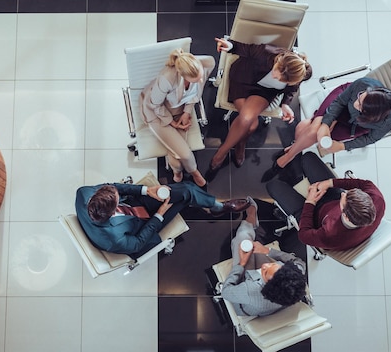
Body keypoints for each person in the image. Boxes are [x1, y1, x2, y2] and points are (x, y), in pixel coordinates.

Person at [206, 37, 312, 181]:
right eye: (276, 70)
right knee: (252, 124)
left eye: (282, 79)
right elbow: (242, 48)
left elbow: (291, 90)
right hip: (244, 81)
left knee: (249, 121)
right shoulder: (267, 52)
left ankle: (227, 150)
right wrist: (229, 45)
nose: (275, 76)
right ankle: (231, 147)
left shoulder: (296, 75)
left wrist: (285, 104)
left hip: (264, 92)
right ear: (279, 61)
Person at [260, 77, 391, 183]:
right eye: (360, 97)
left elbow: (369, 139)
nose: (355, 103)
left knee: (303, 128)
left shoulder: (386, 123)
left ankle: (293, 149)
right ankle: (289, 156)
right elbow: (340, 101)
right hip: (340, 102)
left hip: (353, 125)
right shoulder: (363, 84)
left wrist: (342, 146)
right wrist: (325, 123)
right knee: (312, 130)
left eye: (359, 106)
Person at [75, 181, 251, 258]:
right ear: (113, 209)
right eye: (116, 196)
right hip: (143, 225)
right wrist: (159, 214)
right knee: (182, 199)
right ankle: (217, 208)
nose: (116, 191)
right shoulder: (114, 239)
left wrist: (146, 190)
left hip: (134, 203)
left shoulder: (84, 193)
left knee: (185, 191)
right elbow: (138, 242)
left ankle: (217, 206)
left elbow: (114, 186)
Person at [266, 151, 385, 251]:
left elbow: (304, 236)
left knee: (272, 185)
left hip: (313, 215)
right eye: (348, 193)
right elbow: (363, 184)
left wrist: (310, 202)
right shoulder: (377, 200)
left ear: (345, 215)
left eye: (344, 199)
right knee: (308, 157)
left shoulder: (331, 235)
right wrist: (329, 183)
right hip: (332, 198)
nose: (344, 193)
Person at [141, 49, 216, 187]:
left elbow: (195, 94)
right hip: (158, 113)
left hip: (180, 108)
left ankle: (177, 171)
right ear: (181, 75)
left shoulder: (202, 65)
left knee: (176, 160)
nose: (201, 80)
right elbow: (155, 105)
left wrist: (187, 112)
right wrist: (173, 123)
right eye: (196, 79)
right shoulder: (167, 79)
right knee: (185, 156)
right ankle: (194, 171)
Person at [220, 199, 307, 317]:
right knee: (252, 247)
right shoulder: (294, 273)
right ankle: (251, 224)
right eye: (274, 265)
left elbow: (226, 292)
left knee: (242, 240)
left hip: (248, 299)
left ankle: (250, 219)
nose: (265, 266)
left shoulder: (250, 290)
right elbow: (299, 262)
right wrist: (267, 251)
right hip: (272, 294)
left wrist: (241, 264)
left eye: (265, 272)